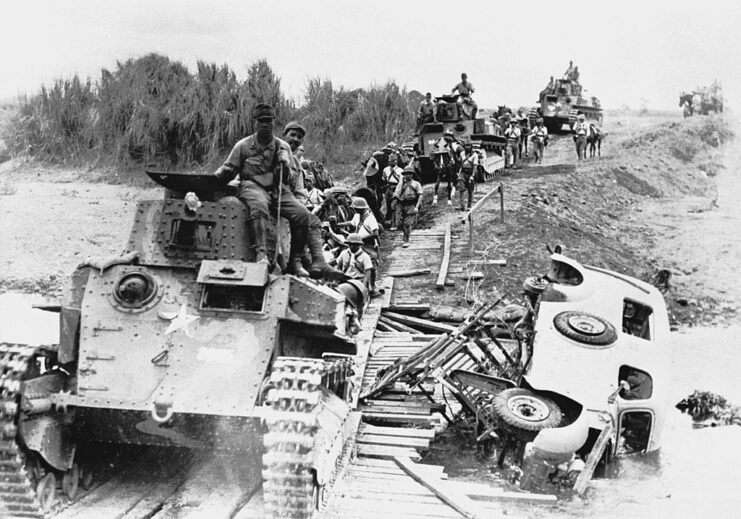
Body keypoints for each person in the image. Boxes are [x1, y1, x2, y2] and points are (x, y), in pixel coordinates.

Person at [214, 104, 313, 276]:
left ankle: (295, 261)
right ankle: (261, 253)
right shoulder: (243, 146)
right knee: (258, 205)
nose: (265, 125)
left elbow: (290, 179)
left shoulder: (283, 147)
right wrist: (214, 180)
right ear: (256, 123)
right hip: (252, 186)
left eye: (269, 121)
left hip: (278, 190)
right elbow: (229, 169)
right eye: (261, 121)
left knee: (303, 215)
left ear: (274, 123)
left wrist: (285, 165)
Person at [283, 120, 343, 280]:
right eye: (292, 135)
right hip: (271, 198)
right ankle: (302, 260)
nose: (295, 139)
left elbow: (299, 192)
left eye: (299, 137)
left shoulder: (296, 163)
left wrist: (299, 208)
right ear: (285, 135)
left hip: (287, 202)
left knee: (313, 220)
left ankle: (319, 261)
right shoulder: (275, 150)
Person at [338, 197, 381, 296]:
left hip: (369, 244)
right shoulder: (357, 216)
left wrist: (361, 238)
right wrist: (340, 224)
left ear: (361, 208)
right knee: (352, 259)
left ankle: (373, 287)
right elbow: (352, 223)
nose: (355, 210)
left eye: (356, 208)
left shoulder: (370, 218)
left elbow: (375, 233)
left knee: (372, 265)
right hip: (357, 242)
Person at [394, 166, 423, 247]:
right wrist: (397, 197)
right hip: (401, 204)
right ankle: (405, 234)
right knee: (399, 223)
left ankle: (406, 239)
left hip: (411, 204)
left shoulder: (416, 184)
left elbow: (420, 195)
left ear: (412, 175)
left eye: (409, 174)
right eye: (406, 174)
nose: (408, 175)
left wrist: (417, 207)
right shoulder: (401, 184)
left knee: (407, 224)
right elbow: (396, 193)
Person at [382, 155, 403, 230]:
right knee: (388, 206)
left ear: (396, 161)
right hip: (389, 188)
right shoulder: (386, 170)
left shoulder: (400, 171)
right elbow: (384, 178)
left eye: (393, 161)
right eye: (390, 161)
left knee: (394, 206)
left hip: (397, 188)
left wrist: (398, 192)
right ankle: (389, 222)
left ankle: (394, 224)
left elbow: (401, 182)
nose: (391, 162)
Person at [457, 142, 478, 211]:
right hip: (463, 173)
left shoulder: (474, 155)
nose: (467, 147)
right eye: (466, 145)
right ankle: (462, 206)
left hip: (470, 173)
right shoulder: (462, 154)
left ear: (471, 147)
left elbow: (475, 166)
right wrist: (458, 172)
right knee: (461, 189)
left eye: (468, 145)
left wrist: (472, 175)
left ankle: (469, 205)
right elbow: (460, 163)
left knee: (470, 190)